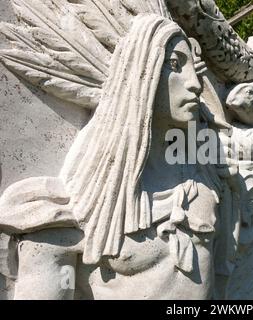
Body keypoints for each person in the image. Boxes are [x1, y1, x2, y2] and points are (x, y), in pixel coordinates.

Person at [0, 14, 225, 299]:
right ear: (142, 73)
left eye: (193, 69)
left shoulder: (203, 181)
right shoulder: (67, 214)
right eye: (174, 65)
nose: (194, 83)